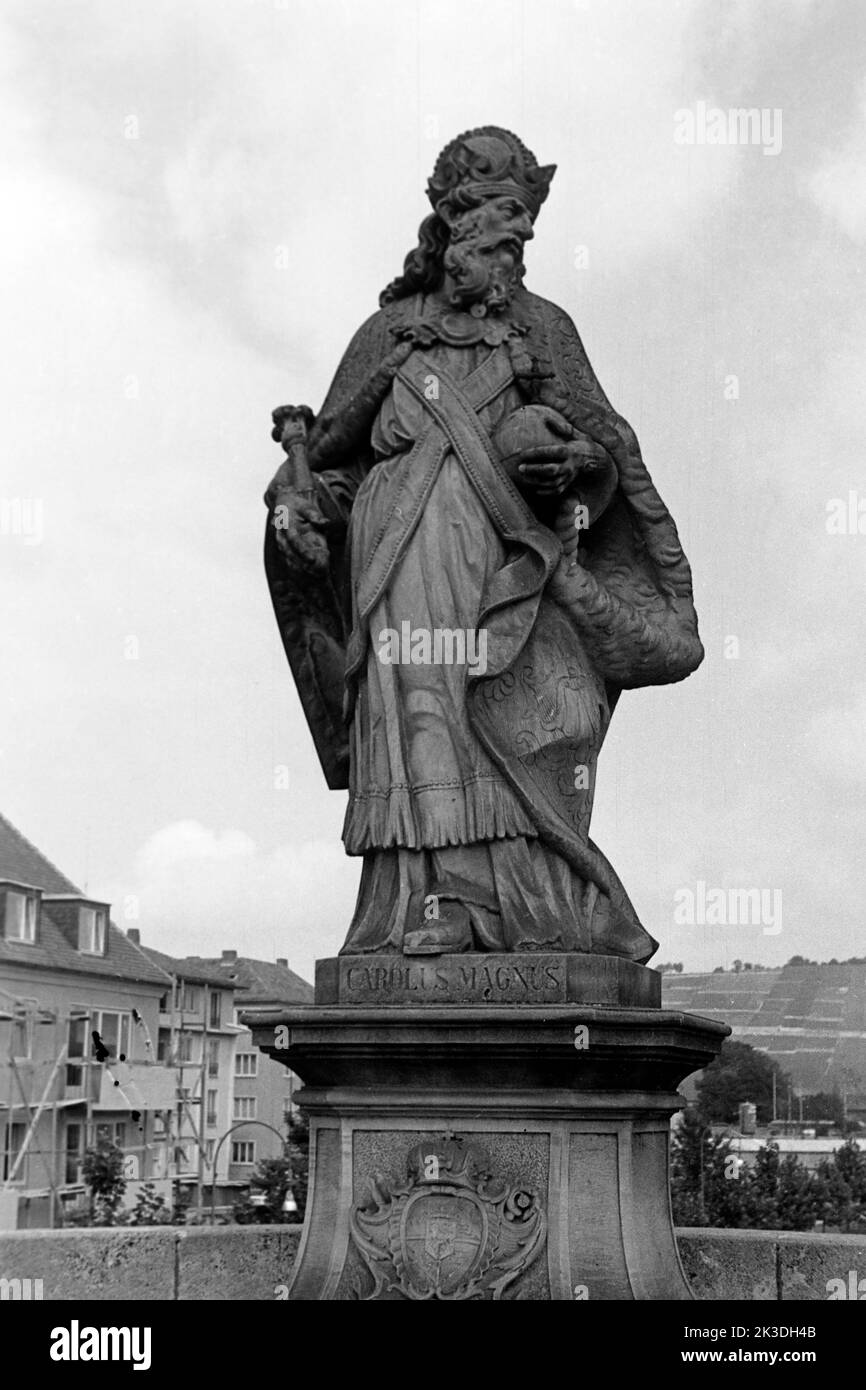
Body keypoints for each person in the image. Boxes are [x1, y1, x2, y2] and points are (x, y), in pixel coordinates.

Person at [264, 127, 703, 963]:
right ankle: (423, 905)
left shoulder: (544, 329)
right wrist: (304, 515)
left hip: (510, 557)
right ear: (456, 225)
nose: (522, 239)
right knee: (418, 717)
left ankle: (534, 908)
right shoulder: (385, 334)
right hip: (399, 555)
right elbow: (327, 467)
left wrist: (574, 464)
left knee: (517, 716)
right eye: (506, 220)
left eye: (526, 225)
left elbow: (605, 446)